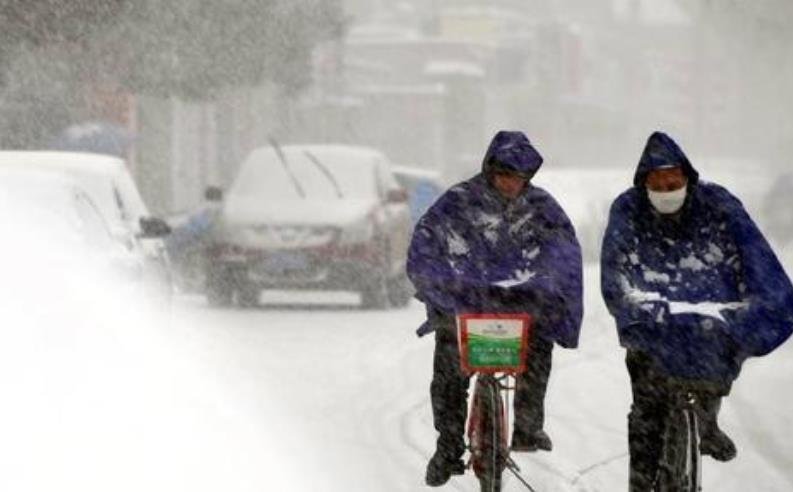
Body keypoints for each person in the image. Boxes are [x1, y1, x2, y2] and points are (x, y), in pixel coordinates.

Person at [600, 131, 793, 491]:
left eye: (673, 181)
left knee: (712, 366)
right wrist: (631, 306)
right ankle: (641, 485)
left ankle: (705, 419)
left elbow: (757, 259)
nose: (667, 189)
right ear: (644, 184)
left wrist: (764, 305)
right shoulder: (627, 209)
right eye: (657, 183)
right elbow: (616, 273)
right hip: (652, 331)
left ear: (688, 178)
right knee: (647, 416)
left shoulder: (719, 205)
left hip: (712, 328)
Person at [407, 130, 583, 487]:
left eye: (518, 178)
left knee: (537, 350)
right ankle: (448, 446)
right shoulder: (457, 203)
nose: (510, 184)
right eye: (504, 175)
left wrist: (550, 296)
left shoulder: (543, 209)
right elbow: (425, 245)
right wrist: (440, 290)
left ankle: (528, 427)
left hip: (520, 310)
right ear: (490, 170)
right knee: (448, 372)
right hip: (465, 308)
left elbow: (564, 255)